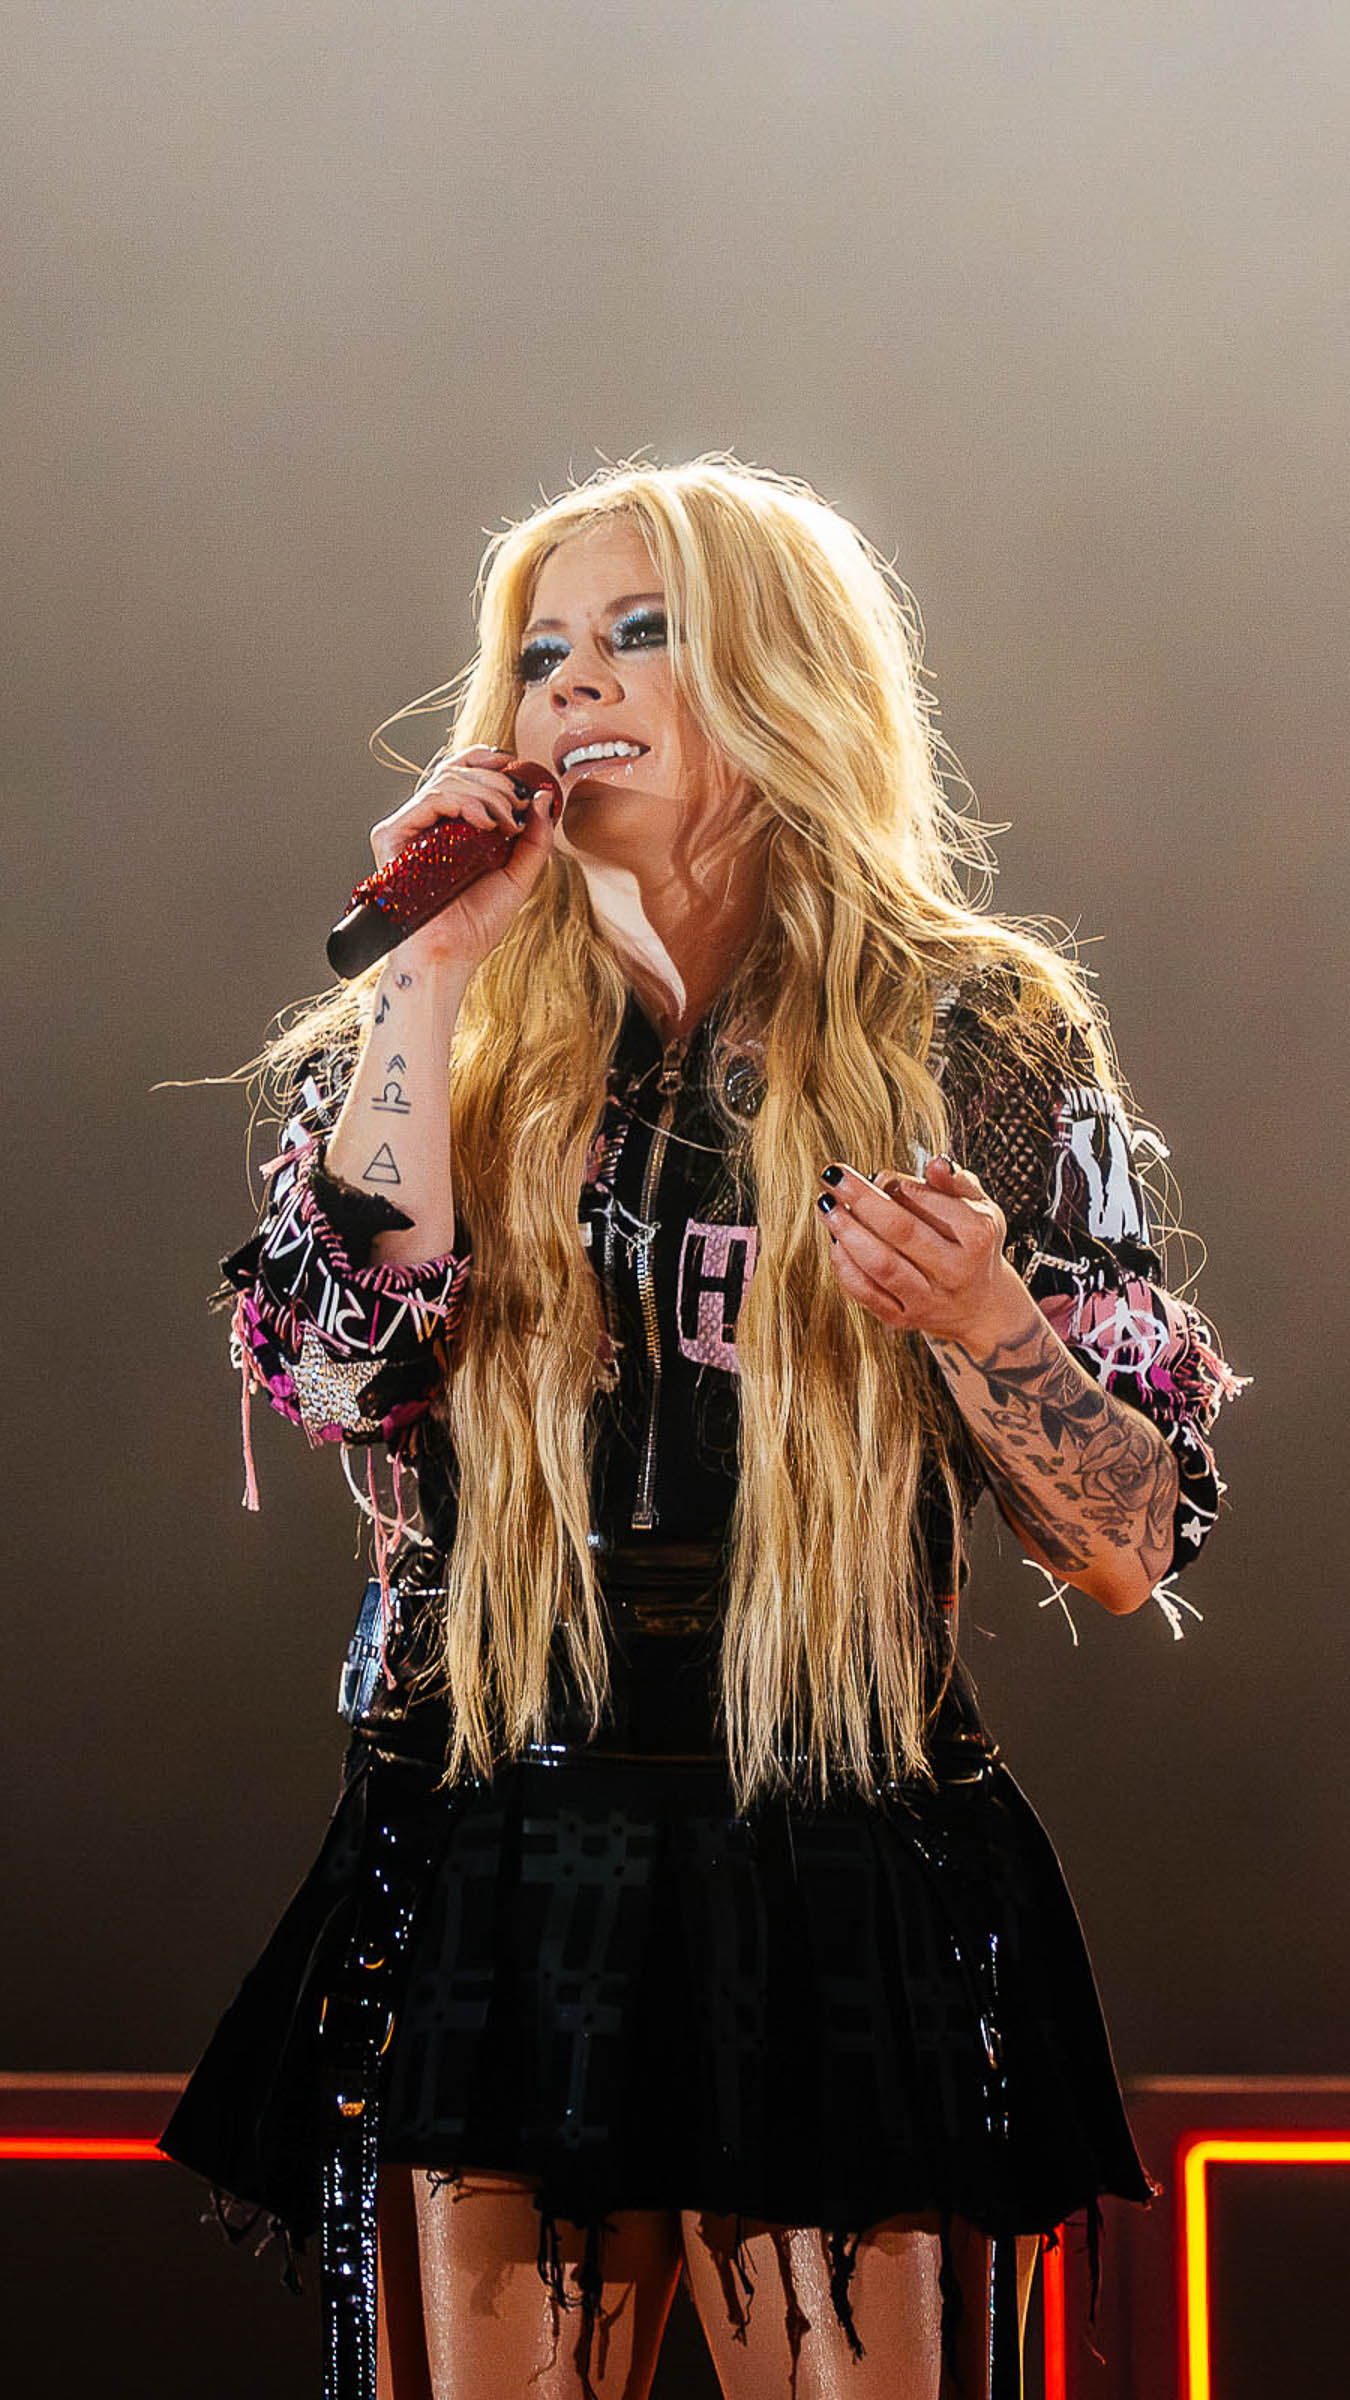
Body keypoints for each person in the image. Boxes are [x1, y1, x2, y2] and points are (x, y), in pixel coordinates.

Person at [162, 455, 1240, 2400]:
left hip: (835, 1819)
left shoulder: (973, 1031)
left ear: (779, 673)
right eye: (541, 650)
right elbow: (331, 1365)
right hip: (500, 1807)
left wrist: (989, 1323)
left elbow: (1127, 1543)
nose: (573, 680)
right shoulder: (437, 1029)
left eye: (638, 633)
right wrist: (426, 976)